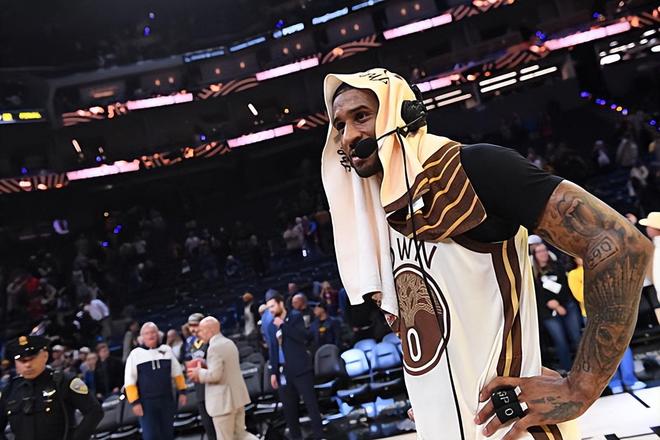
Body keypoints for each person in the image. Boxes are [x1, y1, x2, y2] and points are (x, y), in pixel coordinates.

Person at [320, 69, 652, 439]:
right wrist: (434, 391)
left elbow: (620, 244)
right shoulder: (380, 215)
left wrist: (578, 388)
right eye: (339, 125)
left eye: (361, 116)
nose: (348, 136)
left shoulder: (474, 168)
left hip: (512, 428)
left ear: (400, 113)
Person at [0, 335, 103, 440]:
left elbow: (94, 411)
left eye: (32, 359)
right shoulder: (9, 391)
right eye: (22, 361)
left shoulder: (63, 382)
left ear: (45, 356)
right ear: (16, 363)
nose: (28, 365)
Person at [264, 291, 323, 440]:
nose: (271, 310)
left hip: (301, 369)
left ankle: (319, 436)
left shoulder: (295, 316)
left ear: (280, 303)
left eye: (272, 306)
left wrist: (283, 326)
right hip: (284, 372)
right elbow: (273, 350)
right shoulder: (271, 326)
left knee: (311, 405)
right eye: (268, 308)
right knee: (289, 411)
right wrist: (273, 372)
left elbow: (303, 337)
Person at [187, 317, 257, 440]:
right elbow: (225, 369)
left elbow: (215, 376)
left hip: (223, 403)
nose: (199, 333)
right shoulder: (229, 343)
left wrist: (199, 373)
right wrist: (206, 365)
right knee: (240, 435)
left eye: (201, 330)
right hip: (237, 399)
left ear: (210, 330)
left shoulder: (213, 347)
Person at [123, 322, 188, 440]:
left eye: (153, 332)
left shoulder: (166, 350)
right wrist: (135, 402)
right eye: (147, 333)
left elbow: (177, 373)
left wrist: (182, 391)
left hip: (167, 400)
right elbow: (129, 381)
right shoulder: (135, 354)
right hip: (146, 403)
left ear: (158, 334)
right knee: (151, 436)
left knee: (168, 435)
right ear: (142, 337)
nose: (150, 335)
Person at [531, 242, 582, 372]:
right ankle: (568, 370)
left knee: (576, 338)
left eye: (544, 250)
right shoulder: (532, 274)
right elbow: (536, 293)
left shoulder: (558, 266)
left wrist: (559, 305)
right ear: (535, 255)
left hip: (566, 306)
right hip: (548, 312)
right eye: (539, 251)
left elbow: (566, 287)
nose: (543, 253)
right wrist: (551, 304)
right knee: (560, 341)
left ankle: (582, 367)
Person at [181, 312, 216, 440]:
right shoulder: (189, 342)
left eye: (196, 325)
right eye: (191, 326)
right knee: (208, 426)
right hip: (200, 388)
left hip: (214, 386)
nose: (193, 329)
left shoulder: (212, 340)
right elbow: (186, 363)